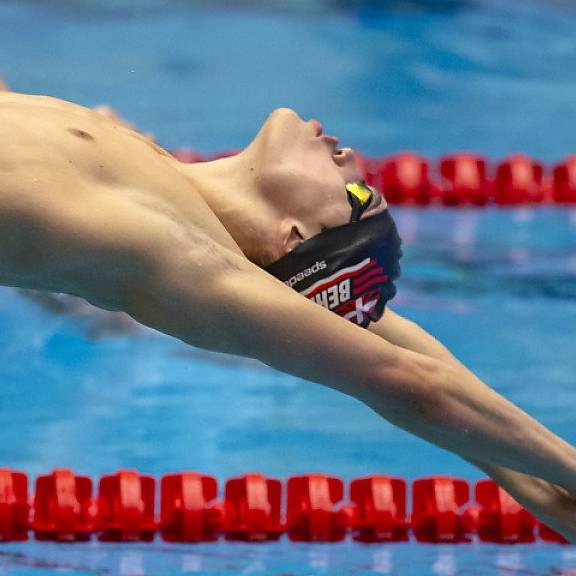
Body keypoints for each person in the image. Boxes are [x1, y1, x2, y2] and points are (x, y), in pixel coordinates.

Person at [1, 85, 576, 540]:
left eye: (356, 197)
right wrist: (528, 480)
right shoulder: (159, 174)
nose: (352, 161)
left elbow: (409, 382)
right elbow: (394, 343)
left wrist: (559, 476)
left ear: (292, 237)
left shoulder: (176, 252)